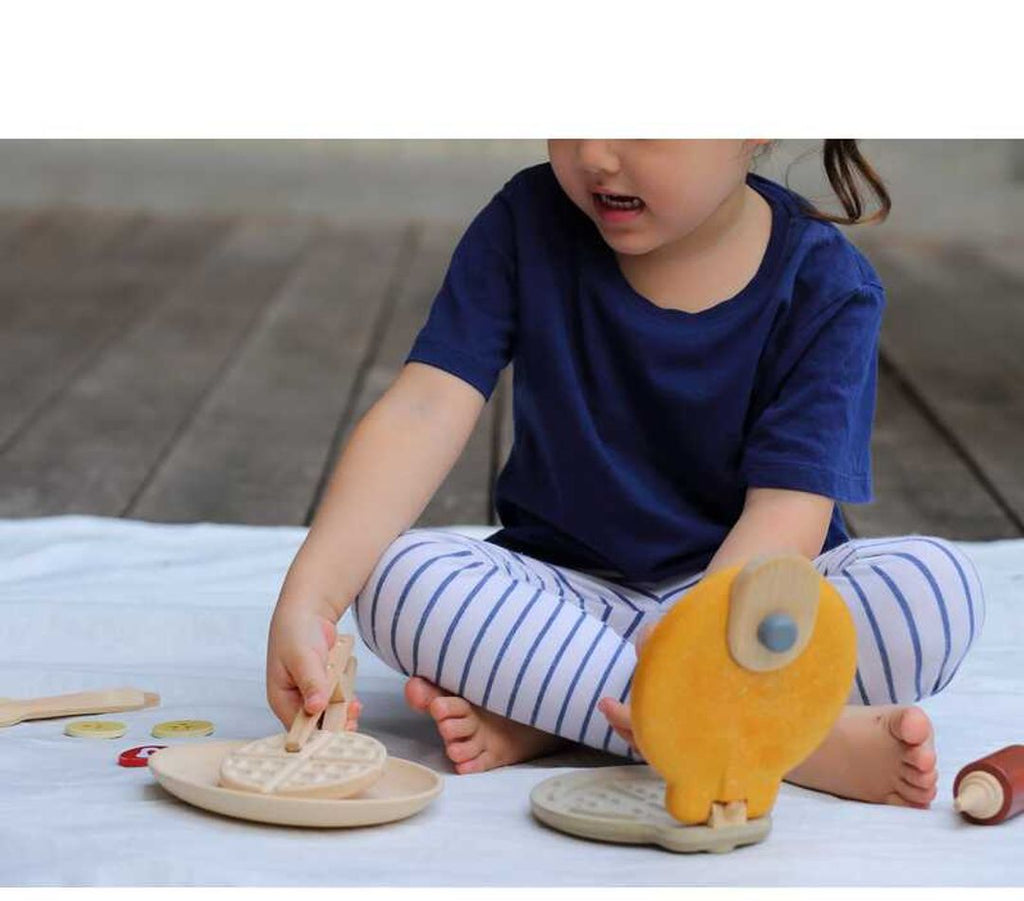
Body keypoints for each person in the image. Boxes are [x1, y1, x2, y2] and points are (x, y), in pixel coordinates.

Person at [267, 140, 985, 809]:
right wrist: (312, 600)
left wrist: (693, 654)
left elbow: (785, 514)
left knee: (933, 592)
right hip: (569, 600)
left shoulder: (827, 283)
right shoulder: (527, 219)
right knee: (400, 579)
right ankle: (780, 739)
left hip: (745, 614)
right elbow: (424, 408)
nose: (595, 154)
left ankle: (566, 715)